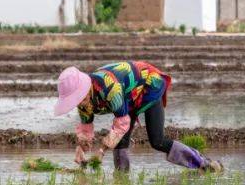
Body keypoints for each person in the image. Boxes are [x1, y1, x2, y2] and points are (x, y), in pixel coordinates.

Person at [53, 61, 220, 172]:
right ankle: (122, 180)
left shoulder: (110, 87)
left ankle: (203, 164)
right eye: (75, 101)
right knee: (120, 142)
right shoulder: (84, 102)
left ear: (85, 88)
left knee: (157, 141)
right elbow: (86, 128)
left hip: (148, 86)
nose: (80, 104)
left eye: (79, 98)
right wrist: (81, 149)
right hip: (129, 97)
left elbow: (121, 123)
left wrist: (101, 151)